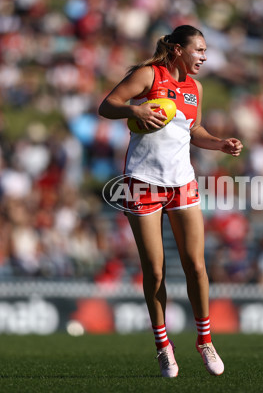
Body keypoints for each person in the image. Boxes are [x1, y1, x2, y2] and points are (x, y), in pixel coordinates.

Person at [99, 25, 242, 378]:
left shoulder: (196, 89)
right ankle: (164, 346)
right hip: (143, 182)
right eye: (199, 50)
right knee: (156, 270)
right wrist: (136, 112)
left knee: (196, 265)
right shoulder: (148, 75)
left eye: (206, 51)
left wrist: (219, 143)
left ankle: (205, 340)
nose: (204, 57)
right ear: (178, 49)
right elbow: (108, 105)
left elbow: (194, 131)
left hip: (182, 183)